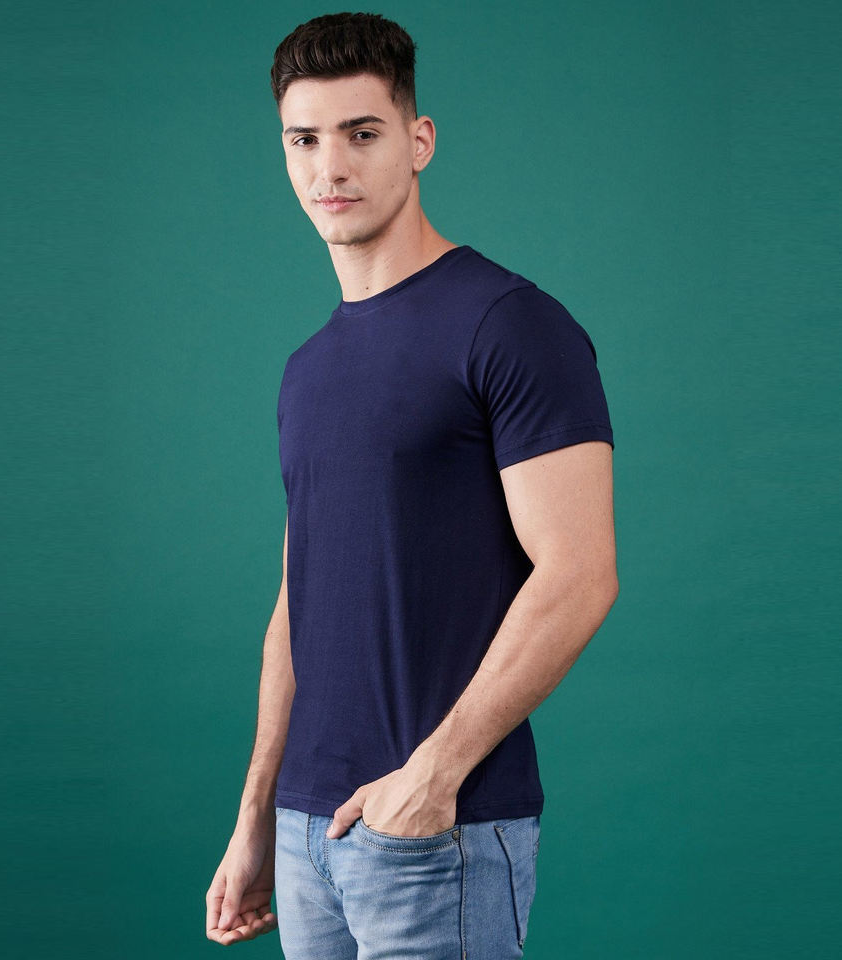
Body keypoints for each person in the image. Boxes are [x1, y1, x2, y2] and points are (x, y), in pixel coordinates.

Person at [205, 12, 618, 958]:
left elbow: (580, 573)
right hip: (306, 834)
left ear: (419, 139)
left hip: (438, 831)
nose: (330, 167)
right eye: (304, 140)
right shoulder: (306, 369)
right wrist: (259, 814)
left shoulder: (509, 324)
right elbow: (297, 602)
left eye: (362, 133)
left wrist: (432, 777)